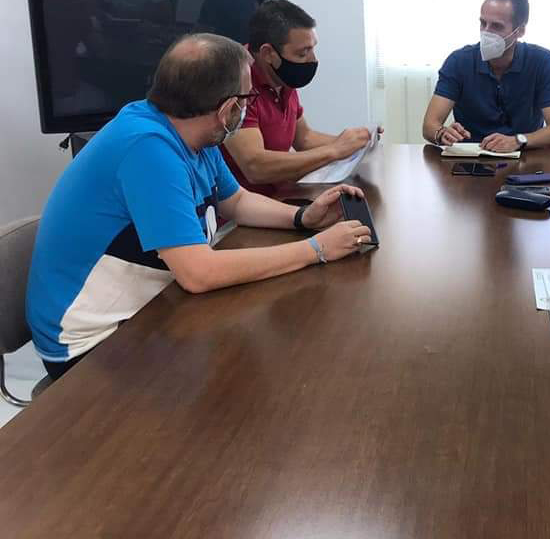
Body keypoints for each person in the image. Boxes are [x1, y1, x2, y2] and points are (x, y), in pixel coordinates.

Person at [27, 34, 373, 382]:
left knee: (259, 352)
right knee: (262, 370)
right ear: (227, 109)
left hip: (150, 306)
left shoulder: (193, 130)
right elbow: (199, 274)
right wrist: (316, 250)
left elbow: (236, 201)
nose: (248, 106)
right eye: (247, 98)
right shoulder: (147, 149)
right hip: (91, 343)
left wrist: (302, 217)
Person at [222, 0, 375, 197]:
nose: (313, 60)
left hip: (281, 195)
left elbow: (304, 138)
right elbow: (255, 166)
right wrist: (335, 150)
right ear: (268, 53)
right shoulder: (238, 83)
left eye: (312, 49)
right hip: (247, 207)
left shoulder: (281, 77)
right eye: (303, 53)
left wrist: (357, 143)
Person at [421, 0, 550, 152]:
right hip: (470, 158)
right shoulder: (458, 61)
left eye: (496, 26)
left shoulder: (542, 61)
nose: (486, 32)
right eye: (483, 23)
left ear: (520, 31)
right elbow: (429, 125)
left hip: (525, 157)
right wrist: (442, 133)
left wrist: (518, 141)